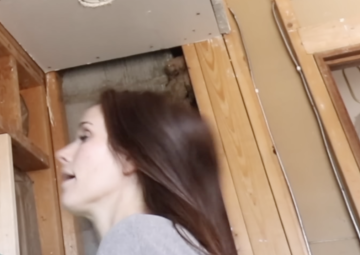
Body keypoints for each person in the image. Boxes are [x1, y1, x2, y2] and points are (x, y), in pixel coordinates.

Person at [55, 90, 236, 255]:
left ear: (129, 157)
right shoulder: (154, 240)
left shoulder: (137, 239)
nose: (62, 154)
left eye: (85, 137)